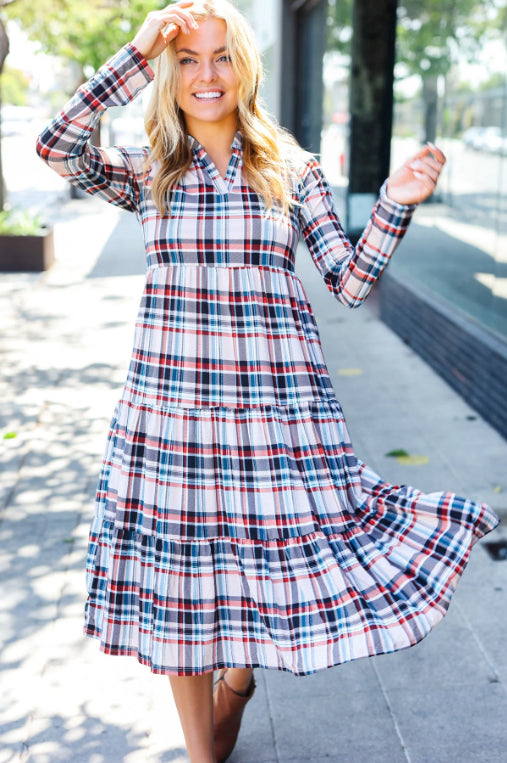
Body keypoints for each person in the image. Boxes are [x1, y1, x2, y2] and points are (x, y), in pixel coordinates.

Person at [36, 2, 499, 761]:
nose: (206, 75)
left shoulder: (291, 167)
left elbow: (348, 283)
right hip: (172, 413)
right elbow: (55, 145)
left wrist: (393, 206)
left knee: (257, 577)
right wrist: (138, 44)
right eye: (188, 60)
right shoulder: (150, 167)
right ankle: (198, 751)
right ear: (169, 72)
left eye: (222, 57)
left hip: (276, 414)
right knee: (180, 590)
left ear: (245, 66)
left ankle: (242, 677)